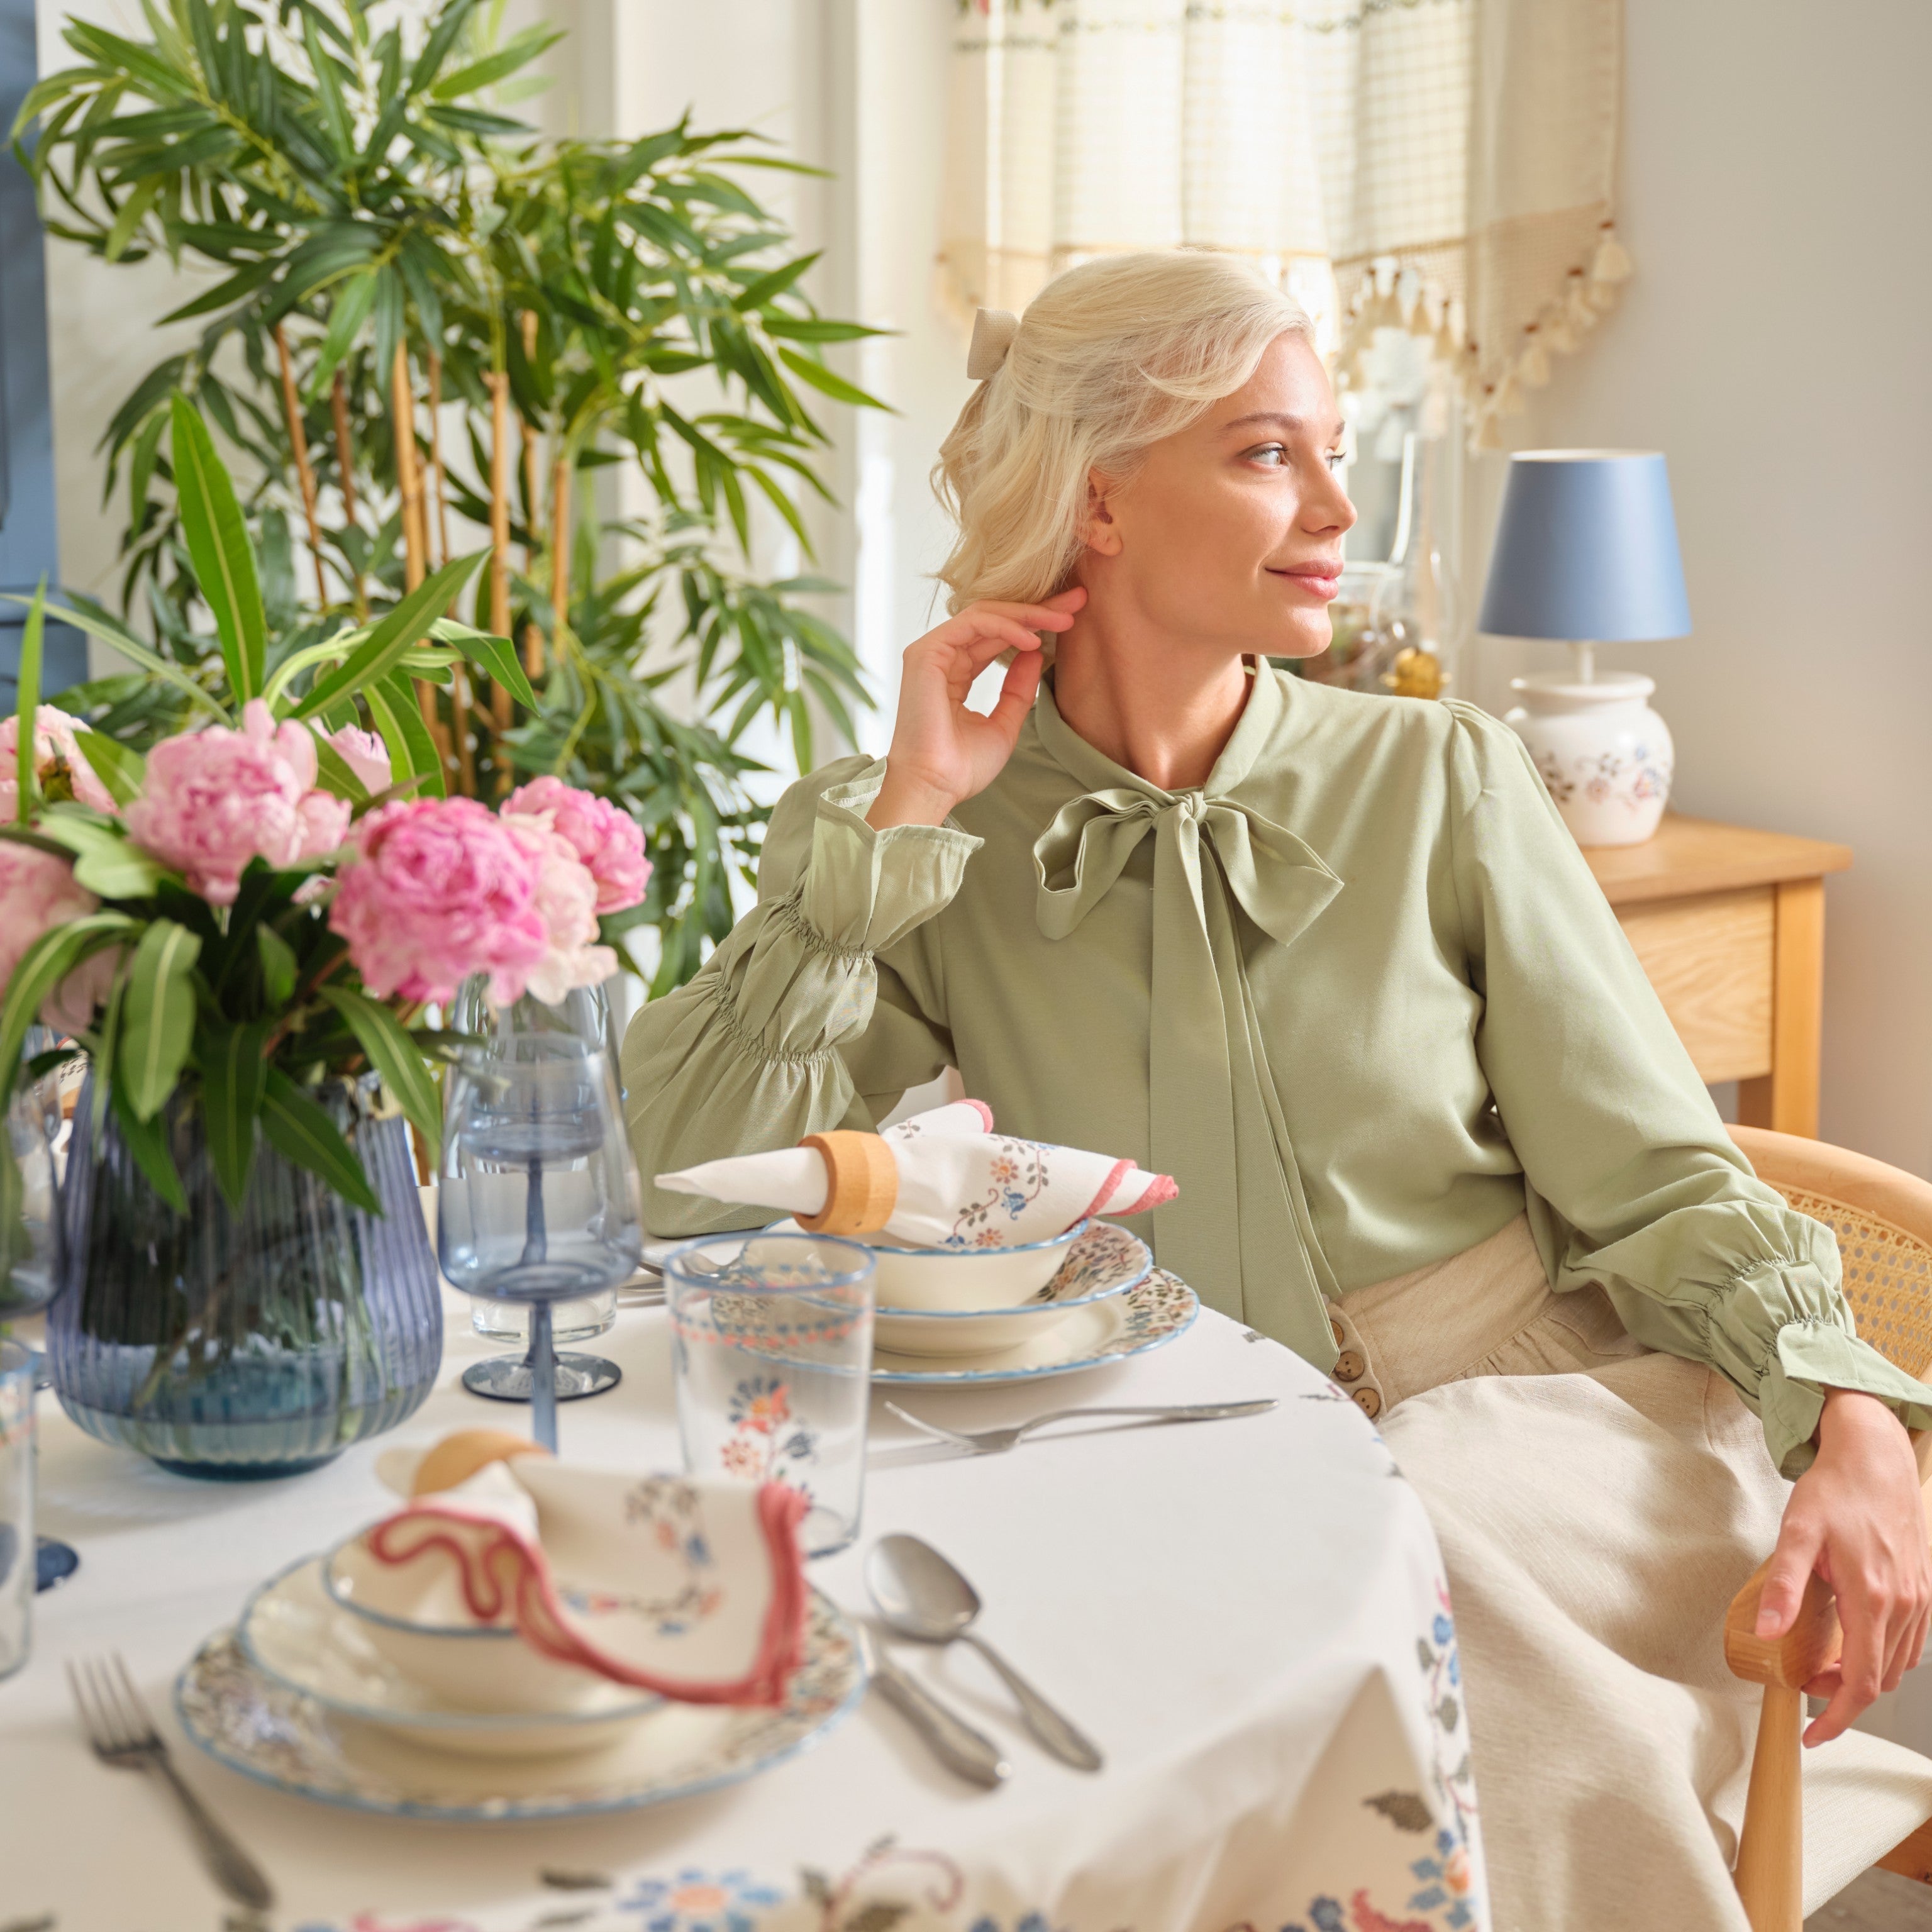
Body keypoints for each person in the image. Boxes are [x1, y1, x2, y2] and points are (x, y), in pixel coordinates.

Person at [623, 252, 1932, 1926]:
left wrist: (1854, 1416)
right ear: (1100, 503)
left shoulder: (1439, 774)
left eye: (1330, 450)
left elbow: (1663, 1179)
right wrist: (898, 826)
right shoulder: (923, 822)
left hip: (1540, 1445)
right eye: (1267, 454)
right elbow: (690, 1191)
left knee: (1390, 1580)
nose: (1338, 507)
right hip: (1166, 1443)